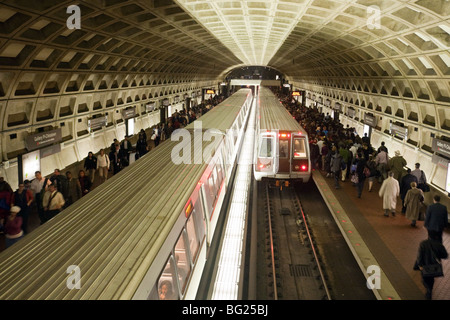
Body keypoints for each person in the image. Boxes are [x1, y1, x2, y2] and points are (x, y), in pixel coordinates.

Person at [414, 232, 448, 300]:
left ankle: (429, 290)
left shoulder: (423, 243)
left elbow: (419, 256)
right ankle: (429, 289)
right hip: (434, 267)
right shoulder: (439, 245)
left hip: (425, 265)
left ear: (428, 236)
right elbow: (445, 255)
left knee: (425, 279)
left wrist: (420, 265)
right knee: (431, 278)